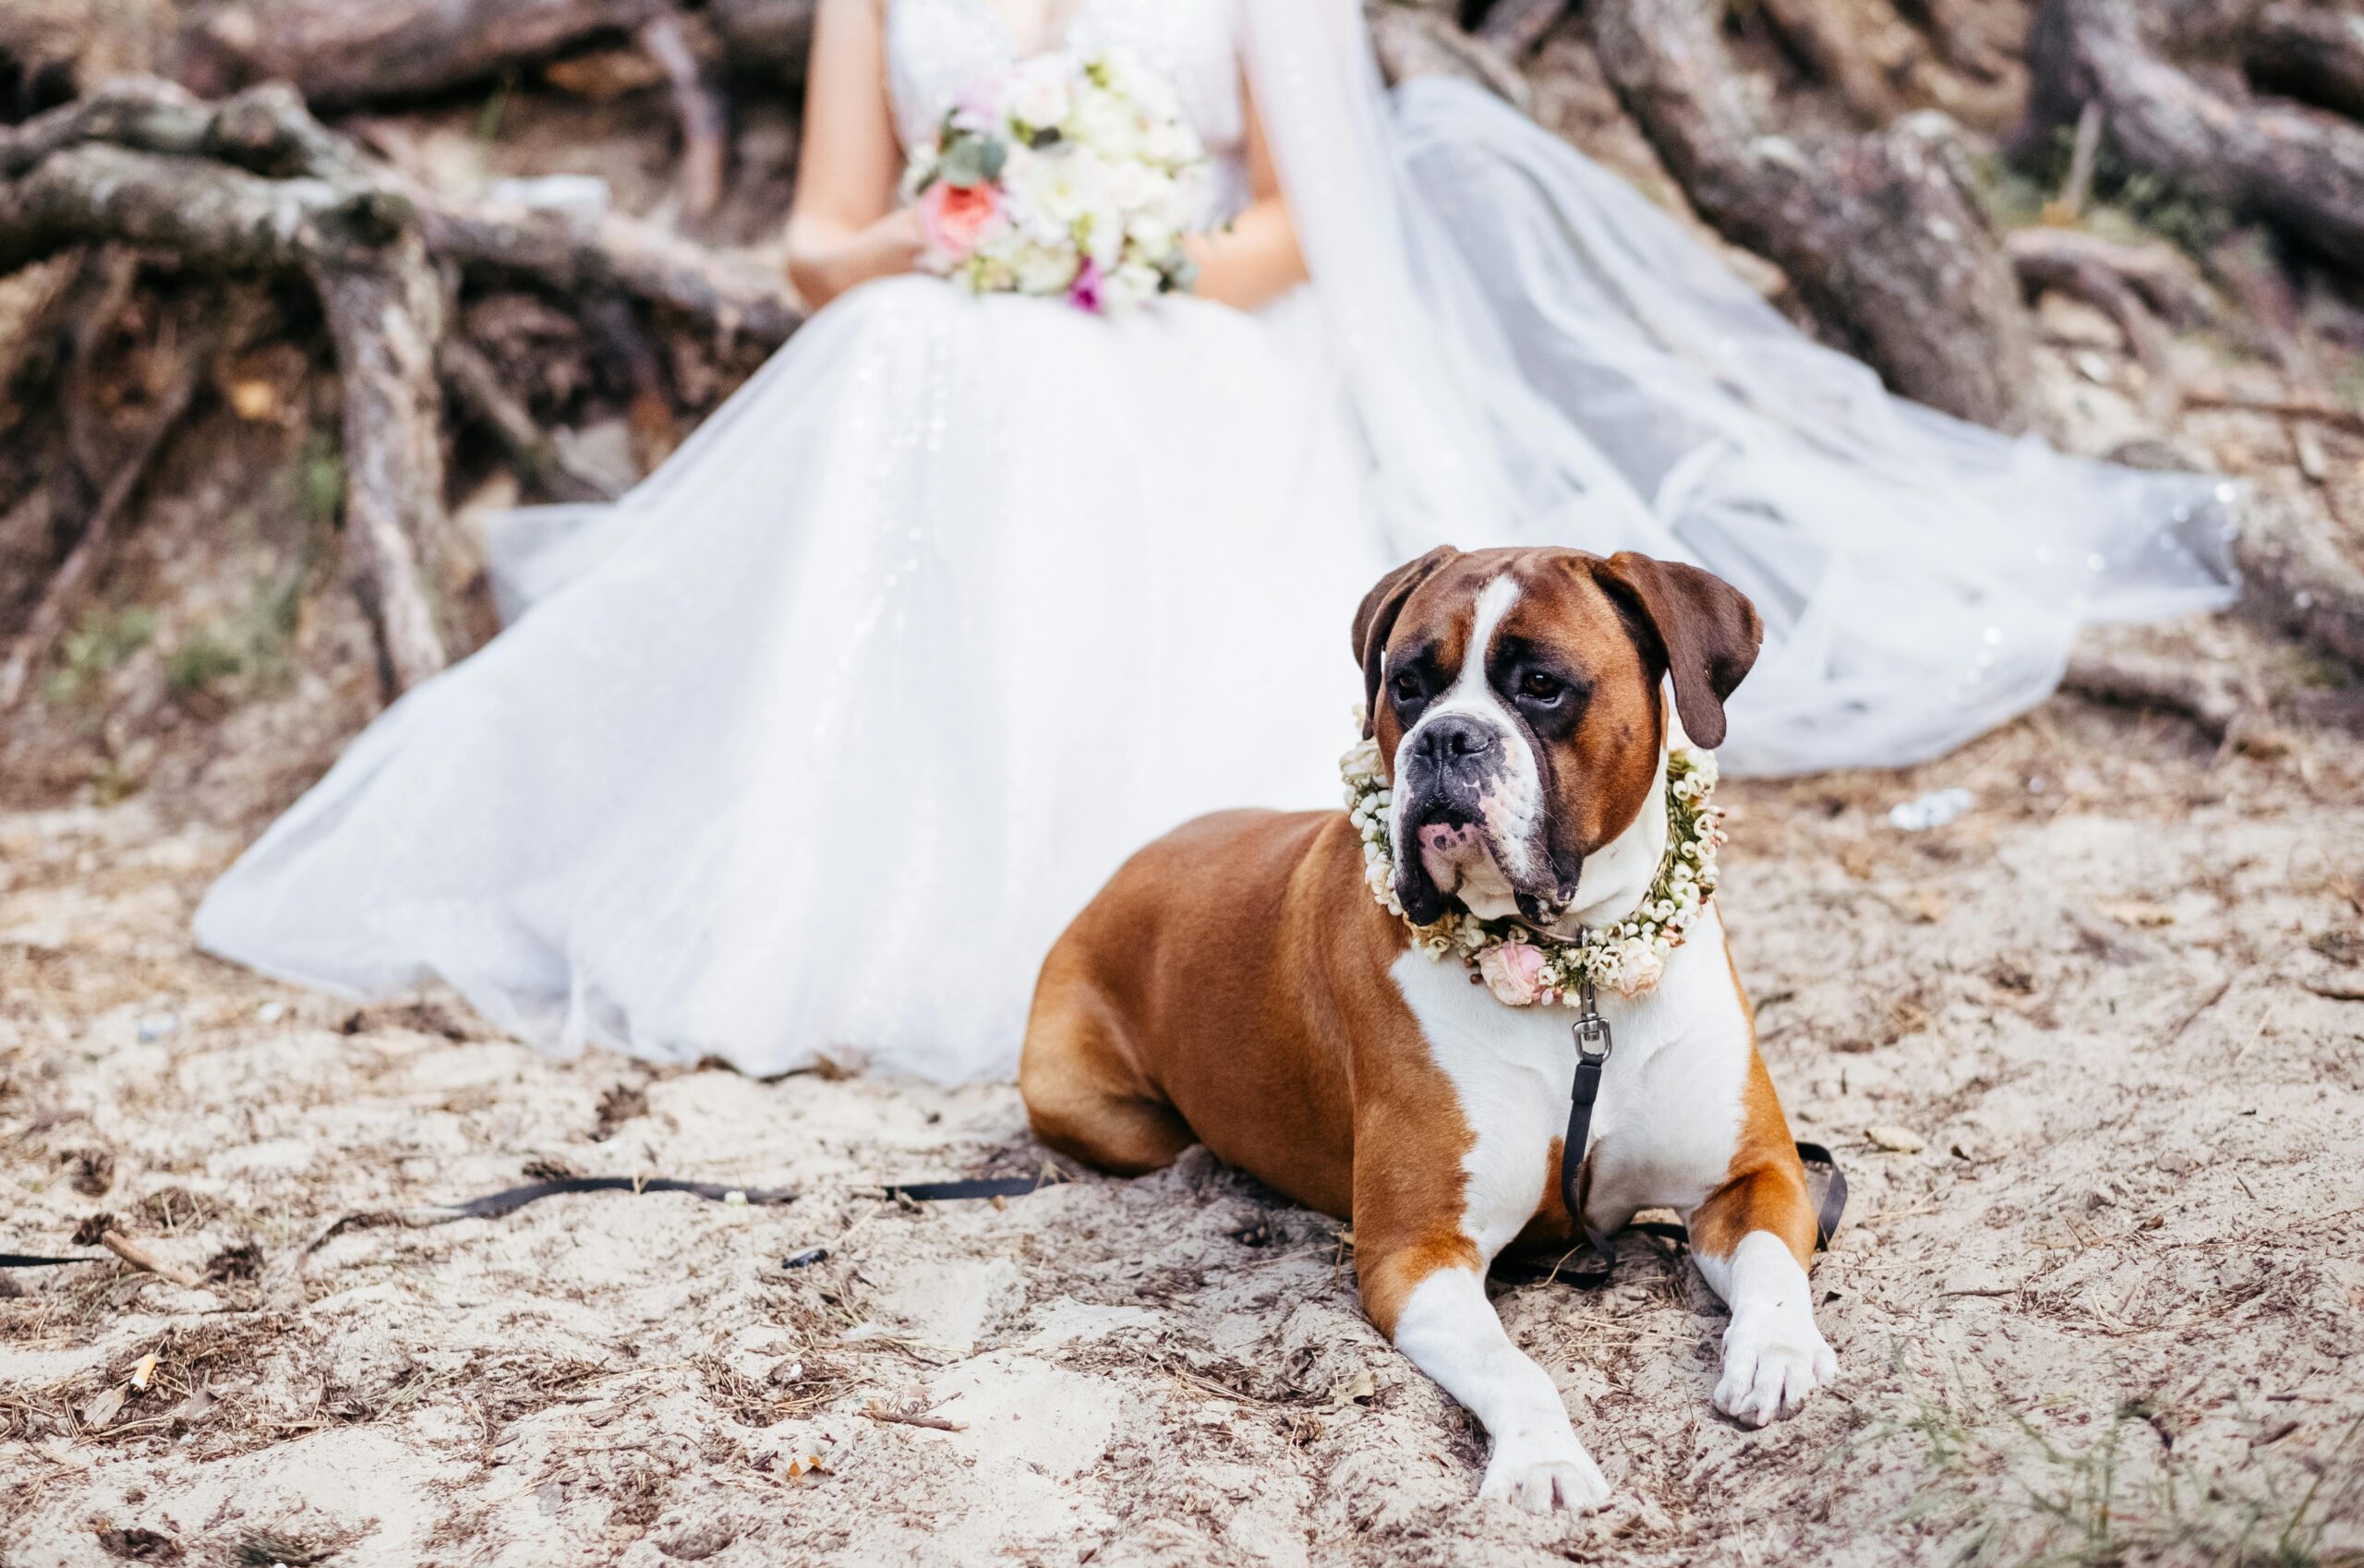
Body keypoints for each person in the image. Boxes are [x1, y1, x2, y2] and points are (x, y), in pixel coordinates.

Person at [195, 0, 2237, 1082]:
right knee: (916, 355)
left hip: (1191, 334)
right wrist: (958, 235)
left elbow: (1292, 228)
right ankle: (850, 875)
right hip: (940, 325)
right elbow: (819, 245)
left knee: (1047, 384)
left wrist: (1120, 245)